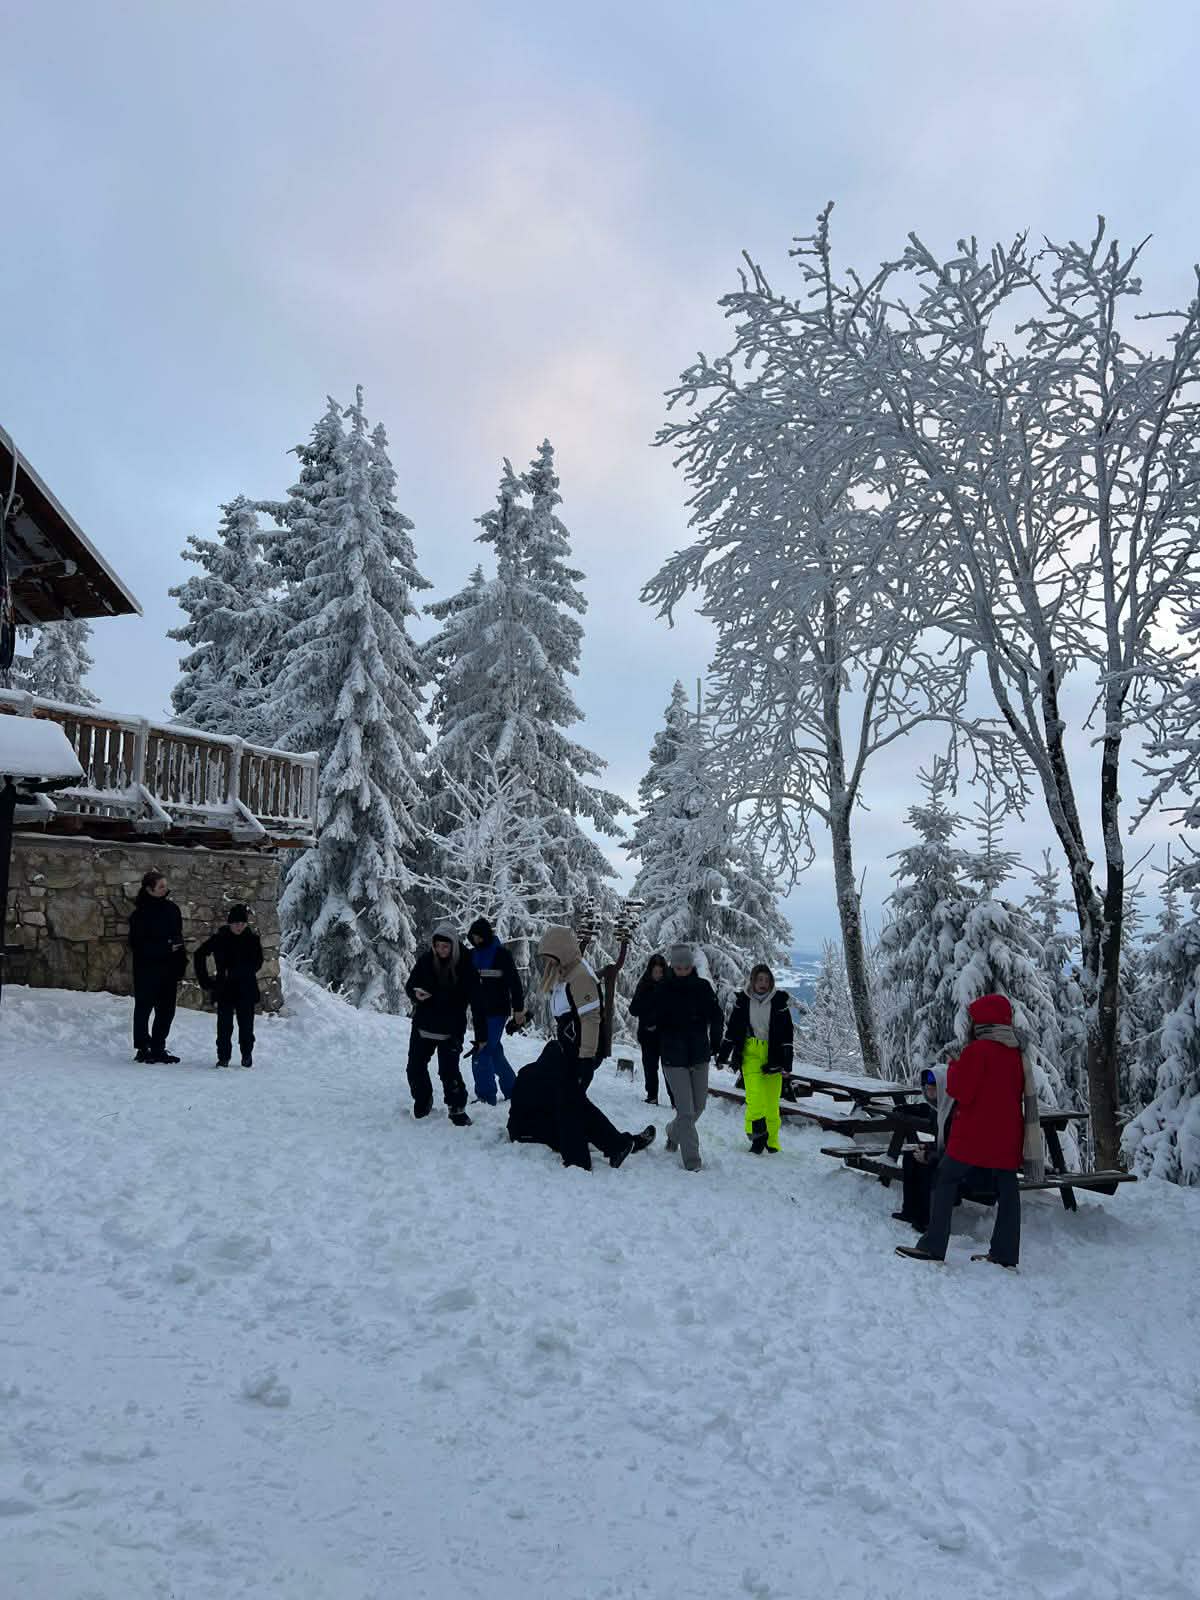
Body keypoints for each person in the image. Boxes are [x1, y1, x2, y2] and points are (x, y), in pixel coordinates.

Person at [896, 993, 1044, 1270]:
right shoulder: (1016, 1052)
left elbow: (960, 1091)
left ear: (982, 1021)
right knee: (1008, 1193)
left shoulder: (978, 1051)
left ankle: (932, 1246)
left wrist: (954, 1066)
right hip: (1008, 1134)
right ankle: (1004, 1254)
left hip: (975, 1134)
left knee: (945, 1179)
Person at [508, 1040, 656, 1171]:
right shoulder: (560, 1079)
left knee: (577, 1108)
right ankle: (621, 1144)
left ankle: (621, 1144)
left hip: (517, 1131)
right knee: (580, 1110)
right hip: (543, 1133)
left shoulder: (526, 1072)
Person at [648, 944, 723, 1172]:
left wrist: (716, 1043)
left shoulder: (703, 987)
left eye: (686, 967)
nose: (682, 971)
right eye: (678, 967)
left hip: (699, 1055)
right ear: (672, 966)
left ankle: (673, 1131)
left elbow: (717, 1016)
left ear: (692, 966)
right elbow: (650, 1016)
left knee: (699, 1107)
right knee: (686, 1112)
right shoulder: (663, 988)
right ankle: (693, 1162)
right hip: (673, 1057)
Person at [717, 963, 794, 1154]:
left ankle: (772, 1142)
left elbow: (787, 1035)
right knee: (755, 1098)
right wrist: (723, 1055)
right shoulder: (743, 1001)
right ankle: (757, 1137)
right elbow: (733, 1030)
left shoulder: (779, 1003)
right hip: (750, 1053)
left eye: (766, 980)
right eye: (759, 979)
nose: (763, 983)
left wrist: (787, 1064)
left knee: (771, 1105)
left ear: (771, 983)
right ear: (752, 981)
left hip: (773, 1056)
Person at [404, 925, 476, 1126]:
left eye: (445, 946)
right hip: (423, 1025)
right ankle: (423, 1100)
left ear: (453, 945)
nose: (441, 950)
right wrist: (415, 994)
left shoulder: (465, 964)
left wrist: (482, 1034)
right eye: (437, 946)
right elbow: (410, 985)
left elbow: (476, 999)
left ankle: (457, 1108)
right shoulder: (426, 961)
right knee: (415, 1067)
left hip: (451, 1028)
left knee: (448, 1071)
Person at [194, 903, 264, 1068]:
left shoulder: (252, 940)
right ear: (230, 923)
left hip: (246, 987)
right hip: (224, 988)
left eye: (242, 923)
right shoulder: (220, 938)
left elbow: (257, 962)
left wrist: (239, 972)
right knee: (224, 1026)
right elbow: (199, 954)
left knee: (246, 1026)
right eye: (236, 923)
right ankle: (223, 1057)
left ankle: (246, 1055)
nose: (239, 926)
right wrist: (205, 980)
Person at [465, 917, 526, 1105]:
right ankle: (514, 1089)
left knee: (482, 1051)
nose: (477, 940)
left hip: (498, 1012)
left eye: (480, 937)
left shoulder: (501, 955)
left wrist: (518, 1010)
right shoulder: (471, 955)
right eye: (473, 937)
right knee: (494, 1051)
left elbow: (515, 983)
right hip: (479, 1013)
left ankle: (486, 1096)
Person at [128, 868, 187, 1064]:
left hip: (169, 969)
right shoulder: (139, 915)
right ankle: (143, 1048)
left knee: (167, 1011)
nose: (165, 889)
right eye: (161, 886)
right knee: (143, 1009)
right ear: (149, 889)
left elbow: (178, 937)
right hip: (146, 969)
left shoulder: (172, 909)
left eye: (165, 886)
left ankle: (158, 1047)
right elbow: (137, 945)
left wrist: (181, 962)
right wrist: (165, 947)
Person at [891, 1067, 955, 1230]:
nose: (930, 1092)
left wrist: (929, 1155)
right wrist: (907, 1108)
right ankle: (909, 1211)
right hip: (944, 1152)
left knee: (928, 1167)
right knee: (910, 1156)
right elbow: (925, 1110)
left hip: (960, 1163)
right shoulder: (939, 1107)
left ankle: (925, 1219)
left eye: (934, 1088)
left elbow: (956, 1149)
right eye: (927, 1088)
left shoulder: (954, 1109)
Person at [628, 952, 668, 1104]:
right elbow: (633, 1009)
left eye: (660, 972)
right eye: (655, 972)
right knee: (650, 1067)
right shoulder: (644, 985)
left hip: (665, 1035)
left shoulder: (669, 986)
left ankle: (675, 1099)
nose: (658, 975)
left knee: (669, 1069)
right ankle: (652, 1096)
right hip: (647, 1034)